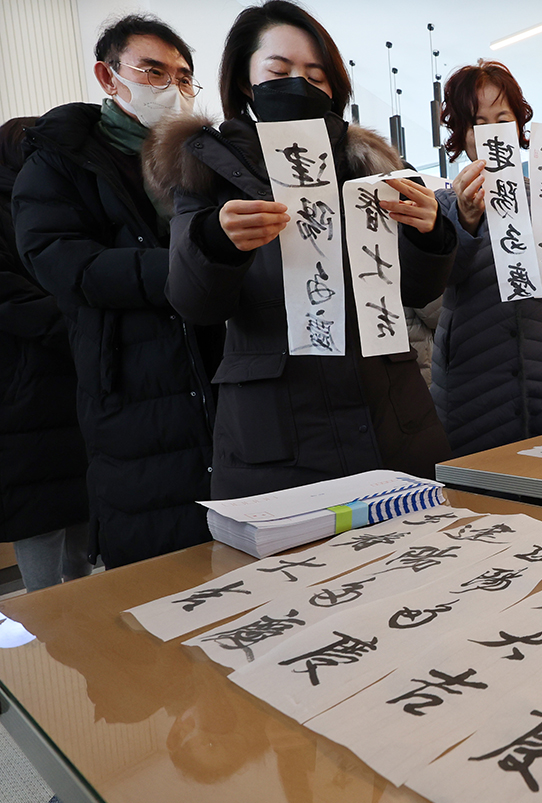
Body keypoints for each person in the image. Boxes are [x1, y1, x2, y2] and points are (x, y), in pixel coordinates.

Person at [146, 0, 454, 499]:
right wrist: (217, 242)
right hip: (277, 433)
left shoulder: (372, 168)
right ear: (246, 81)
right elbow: (193, 303)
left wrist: (429, 234)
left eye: (316, 74)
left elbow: (417, 289)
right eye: (279, 69)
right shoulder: (207, 168)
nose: (299, 84)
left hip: (390, 417)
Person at [12, 15, 222, 569]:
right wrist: (188, 264)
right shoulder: (59, 164)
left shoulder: (203, 159)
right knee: (158, 555)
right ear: (108, 77)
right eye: (152, 71)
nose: (170, 89)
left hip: (216, 367)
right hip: (128, 381)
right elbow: (65, 266)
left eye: (182, 77)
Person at [432, 59, 542, 455]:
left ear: (519, 126)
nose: (491, 133)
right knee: (479, 503)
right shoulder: (442, 203)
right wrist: (464, 220)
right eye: (477, 122)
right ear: (463, 134)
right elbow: (436, 283)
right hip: (474, 374)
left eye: (501, 118)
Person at [0, 117, 91, 591]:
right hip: (25, 384)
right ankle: (42, 617)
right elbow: (10, 299)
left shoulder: (66, 194)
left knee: (83, 505)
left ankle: (86, 607)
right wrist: (80, 316)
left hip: (78, 372)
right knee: (39, 512)